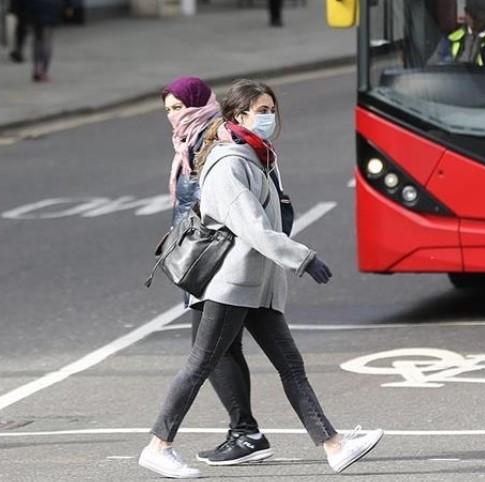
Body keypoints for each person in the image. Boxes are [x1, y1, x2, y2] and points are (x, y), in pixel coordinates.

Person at [138, 79, 384, 479]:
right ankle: (158, 446)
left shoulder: (256, 157)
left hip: (256, 285)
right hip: (231, 286)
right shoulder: (229, 164)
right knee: (201, 363)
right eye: (261, 111)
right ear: (238, 116)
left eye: (272, 109)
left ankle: (335, 446)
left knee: (291, 366)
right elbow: (252, 228)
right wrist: (303, 258)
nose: (269, 117)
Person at [161, 76, 273, 466]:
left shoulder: (213, 139)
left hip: (217, 264)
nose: (176, 115)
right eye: (171, 110)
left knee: (208, 353)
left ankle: (243, 433)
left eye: (180, 106)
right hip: (208, 261)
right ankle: (248, 432)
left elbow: (223, 204)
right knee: (228, 349)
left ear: (199, 102)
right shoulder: (189, 141)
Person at [428, 0, 485, 71]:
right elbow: (430, 69)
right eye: (471, 13)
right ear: (466, 12)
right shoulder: (450, 39)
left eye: (480, 13)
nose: (474, 18)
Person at [20, 0, 61, 82]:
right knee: (46, 40)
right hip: (49, 7)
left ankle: (36, 70)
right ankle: (42, 71)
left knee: (37, 40)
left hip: (34, 8)